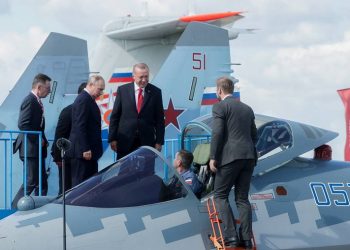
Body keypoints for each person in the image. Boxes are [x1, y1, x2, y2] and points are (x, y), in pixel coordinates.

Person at [209, 76, 257, 249]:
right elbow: (254, 135)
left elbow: (217, 133)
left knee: (220, 195)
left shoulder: (220, 106)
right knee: (242, 199)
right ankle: (245, 238)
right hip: (249, 157)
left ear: (219, 91)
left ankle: (230, 236)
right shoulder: (247, 108)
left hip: (230, 157)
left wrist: (213, 156)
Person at [108, 63, 165, 160]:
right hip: (125, 141)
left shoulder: (156, 92)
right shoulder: (123, 90)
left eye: (146, 76)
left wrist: (159, 141)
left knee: (147, 172)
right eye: (141, 77)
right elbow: (115, 116)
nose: (144, 80)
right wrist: (112, 139)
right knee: (124, 173)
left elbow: (160, 119)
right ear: (133, 76)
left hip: (147, 142)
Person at [12, 73, 51, 208]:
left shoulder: (37, 101)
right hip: (30, 148)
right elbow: (23, 124)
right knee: (31, 180)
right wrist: (38, 139)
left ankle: (40, 208)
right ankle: (15, 207)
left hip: (36, 148)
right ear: (39, 87)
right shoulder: (30, 100)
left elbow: (38, 126)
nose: (49, 91)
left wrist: (43, 139)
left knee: (42, 181)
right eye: (47, 88)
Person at [68, 75, 105, 187]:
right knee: (80, 185)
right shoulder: (83, 100)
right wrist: (85, 148)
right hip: (83, 153)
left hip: (88, 152)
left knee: (89, 185)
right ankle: (75, 205)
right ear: (90, 85)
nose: (101, 93)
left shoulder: (88, 99)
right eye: (100, 89)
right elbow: (80, 125)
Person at [51, 82, 87, 195]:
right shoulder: (68, 111)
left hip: (82, 159)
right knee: (66, 189)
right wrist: (57, 156)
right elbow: (60, 135)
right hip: (68, 158)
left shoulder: (88, 111)